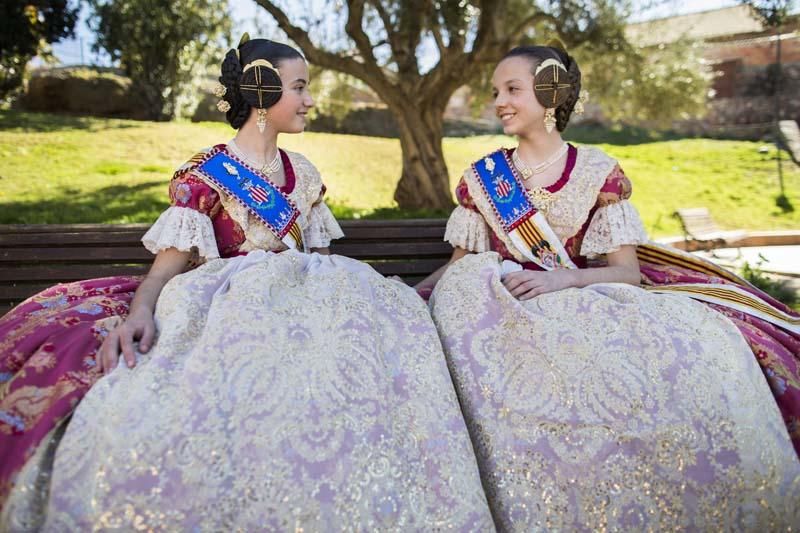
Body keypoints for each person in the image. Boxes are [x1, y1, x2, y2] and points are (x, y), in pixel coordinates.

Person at [1, 36, 493, 530]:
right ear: (261, 90)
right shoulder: (210, 174)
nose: (309, 99)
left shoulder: (304, 174)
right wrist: (139, 314)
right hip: (225, 313)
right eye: (299, 87)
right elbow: (163, 272)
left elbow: (322, 265)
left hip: (303, 313)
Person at [419, 44, 800, 530]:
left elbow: (627, 273)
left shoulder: (599, 174)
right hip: (507, 312)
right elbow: (459, 264)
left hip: (588, 297)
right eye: (496, 91)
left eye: (512, 89)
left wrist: (565, 278)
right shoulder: (482, 179)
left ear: (551, 93)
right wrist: (408, 294)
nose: (500, 101)